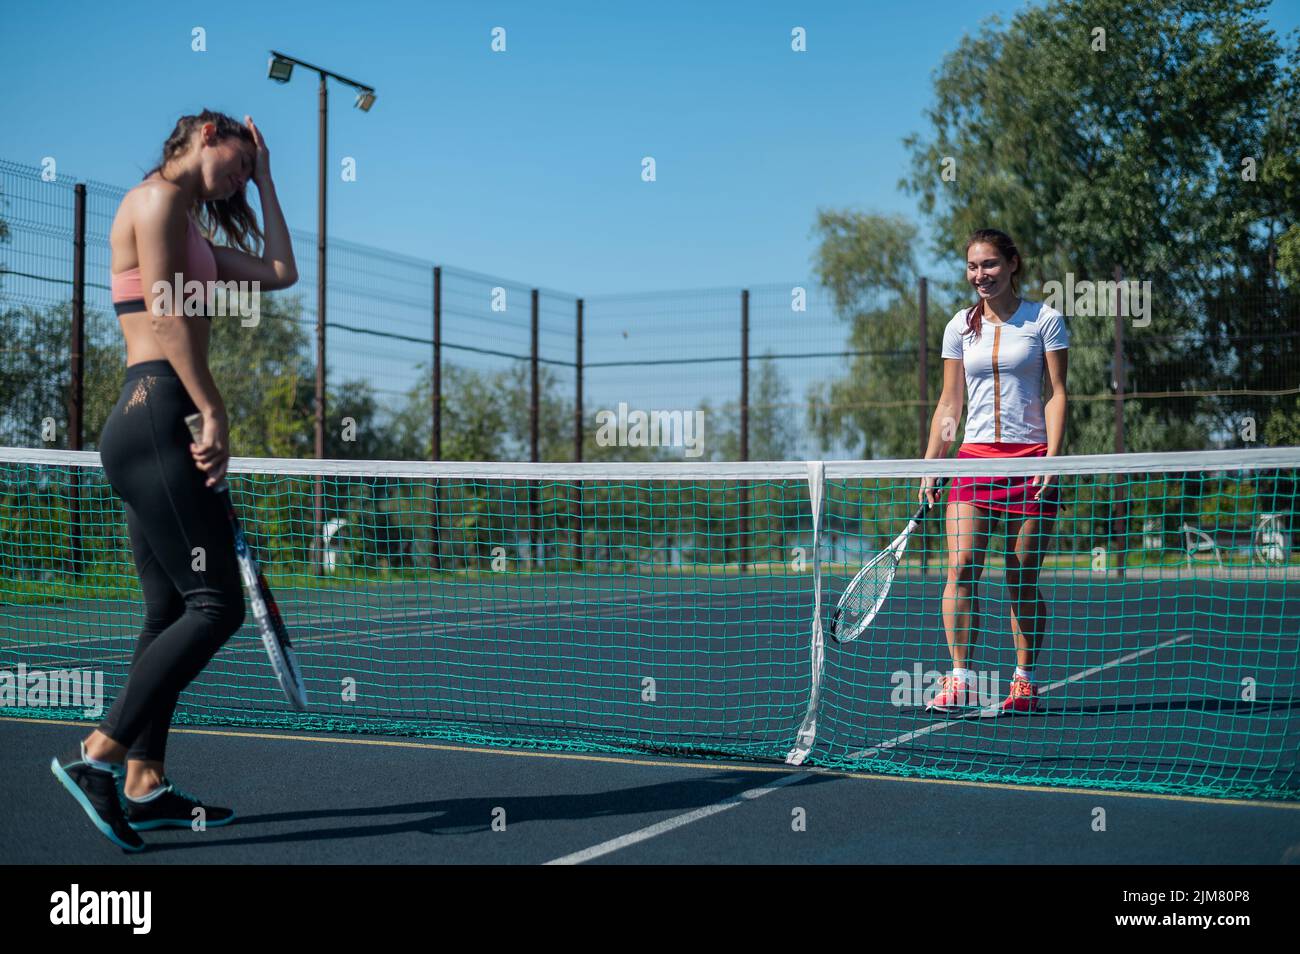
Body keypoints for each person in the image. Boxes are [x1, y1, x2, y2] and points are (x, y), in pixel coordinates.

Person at [50, 110, 298, 851]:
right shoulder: (155, 201)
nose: (240, 179)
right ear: (207, 133)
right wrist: (212, 411)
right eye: (239, 162)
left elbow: (283, 273)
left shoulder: (197, 232)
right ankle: (98, 757)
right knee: (215, 604)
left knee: (167, 610)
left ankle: (144, 781)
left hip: (154, 426)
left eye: (250, 174)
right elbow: (163, 313)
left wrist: (270, 177)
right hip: (156, 416)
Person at [920, 228, 1069, 714]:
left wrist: (1052, 456)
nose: (979, 275)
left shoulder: (1045, 320)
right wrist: (931, 463)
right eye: (972, 266)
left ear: (1012, 264)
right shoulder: (957, 328)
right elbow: (950, 402)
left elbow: (1057, 393)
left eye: (989, 265)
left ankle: (1023, 681)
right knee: (961, 567)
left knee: (1021, 575)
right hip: (974, 461)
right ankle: (960, 678)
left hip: (1031, 461)